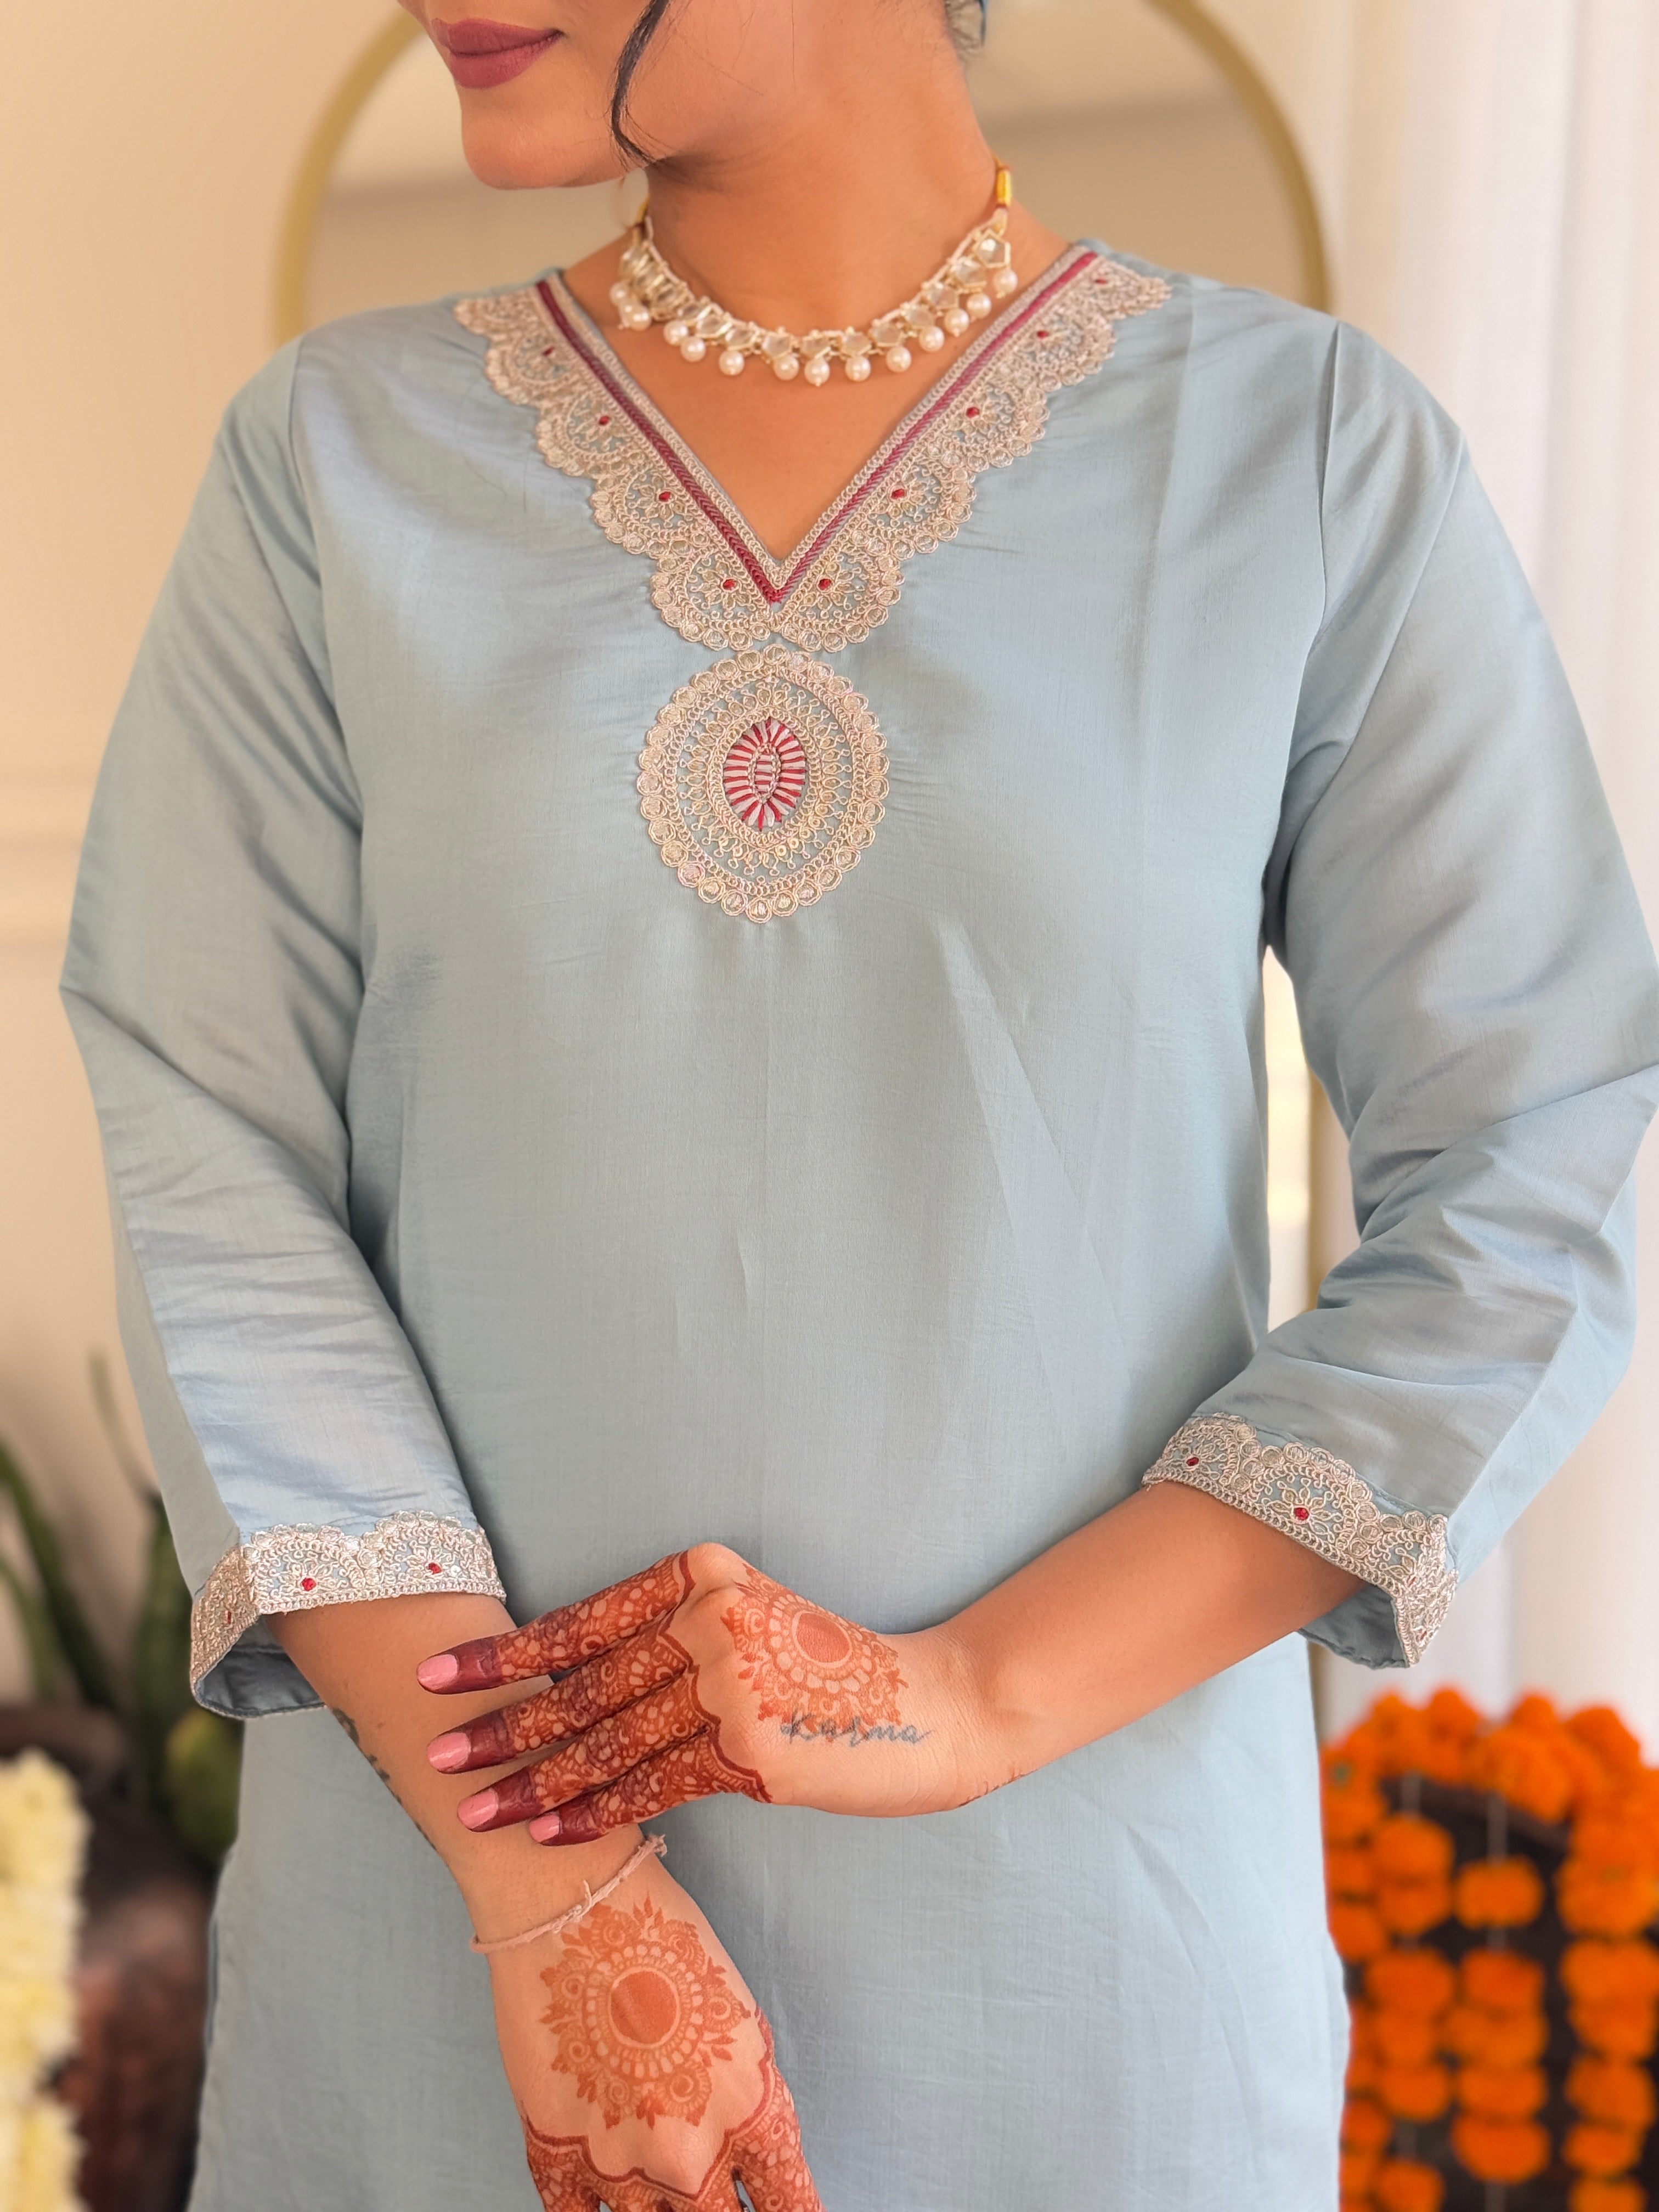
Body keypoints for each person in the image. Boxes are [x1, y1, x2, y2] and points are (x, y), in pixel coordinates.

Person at [61, 0, 1659, 2205]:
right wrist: (550, 1890)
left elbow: (1541, 1157)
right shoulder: (333, 465)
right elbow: (207, 1157)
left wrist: (977, 1693)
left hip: (1089, 1959)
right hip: (457, 1964)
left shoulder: (1303, 457)